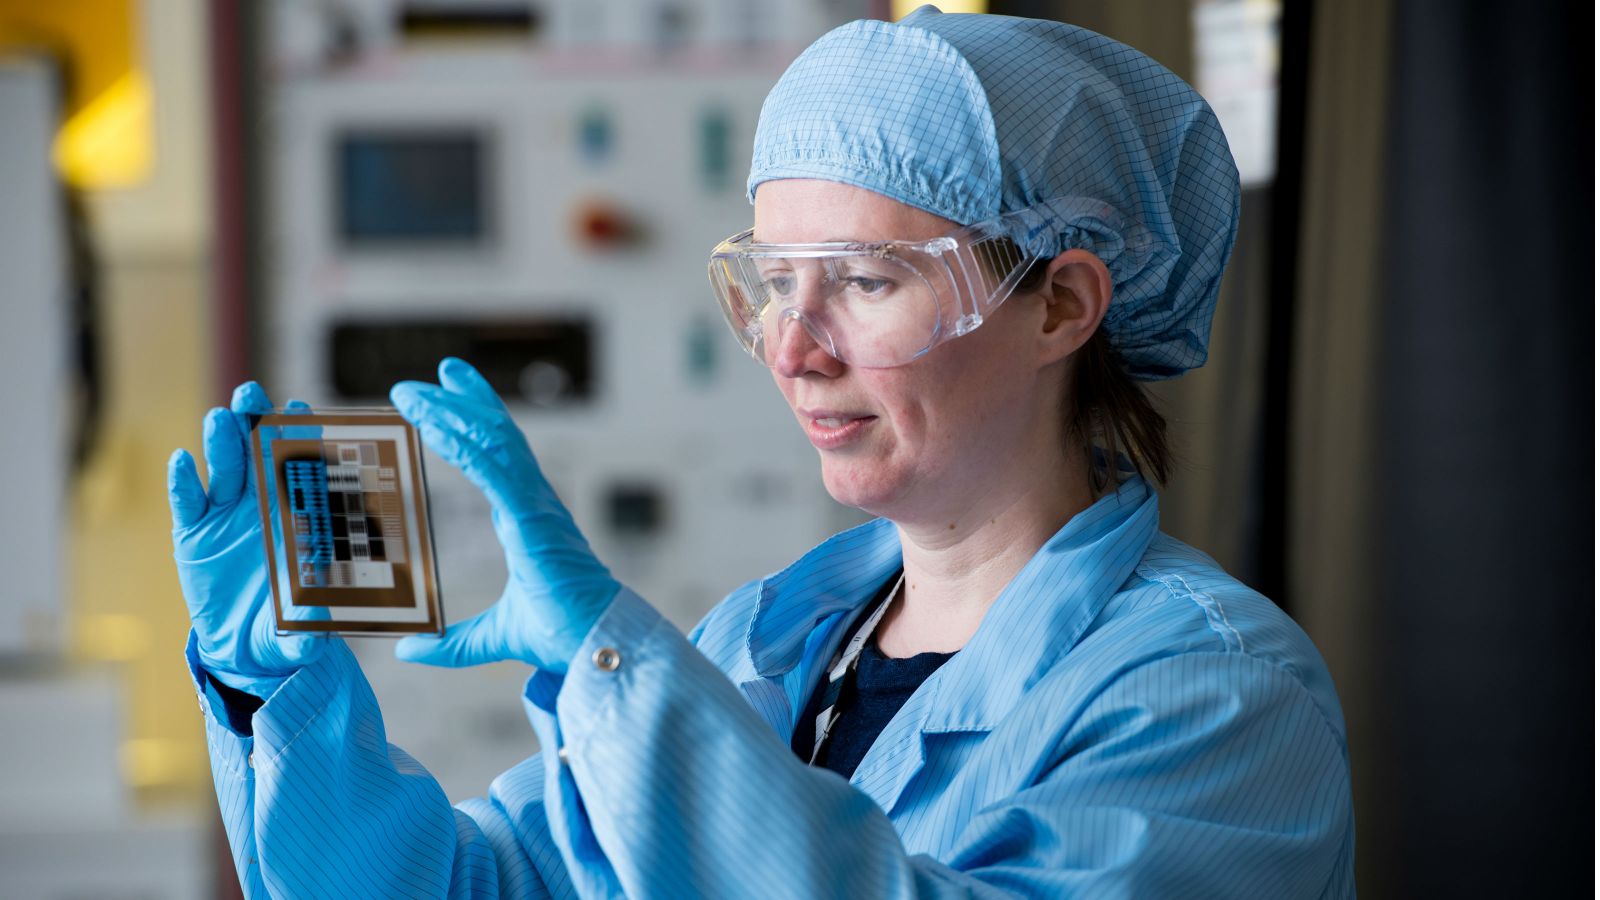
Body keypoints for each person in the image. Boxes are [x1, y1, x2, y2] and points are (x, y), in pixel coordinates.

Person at [168, 8, 1354, 897]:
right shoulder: (764, 642)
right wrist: (282, 698)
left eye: (867, 281)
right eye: (772, 283)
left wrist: (613, 668)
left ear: (1061, 304)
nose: (793, 348)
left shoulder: (1211, 693)